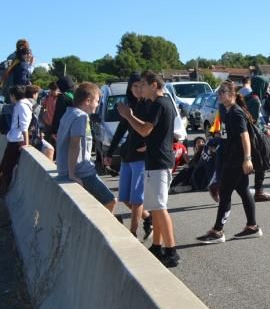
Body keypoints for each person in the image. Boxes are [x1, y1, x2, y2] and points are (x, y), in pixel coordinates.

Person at [116, 72, 180, 268]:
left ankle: (171, 251)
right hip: (154, 161)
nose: (140, 88)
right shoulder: (160, 103)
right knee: (155, 207)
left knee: (159, 207)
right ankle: (157, 245)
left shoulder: (160, 104)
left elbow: (145, 129)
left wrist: (128, 115)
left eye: (143, 84)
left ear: (154, 85)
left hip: (160, 162)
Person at [197, 81, 262, 244]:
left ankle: (217, 231)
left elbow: (244, 136)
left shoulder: (236, 112)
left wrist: (247, 159)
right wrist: (214, 140)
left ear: (232, 95)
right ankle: (252, 226)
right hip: (227, 156)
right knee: (243, 190)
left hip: (237, 159)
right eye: (218, 92)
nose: (219, 95)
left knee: (225, 193)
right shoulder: (223, 110)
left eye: (222, 92)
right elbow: (223, 132)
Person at [55, 82, 118, 212]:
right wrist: (72, 174)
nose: (97, 104)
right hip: (81, 171)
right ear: (88, 100)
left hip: (66, 169)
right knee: (110, 200)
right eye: (97, 101)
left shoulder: (68, 113)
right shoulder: (81, 117)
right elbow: (74, 145)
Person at [106, 74, 153, 239]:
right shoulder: (130, 106)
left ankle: (132, 233)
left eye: (141, 86)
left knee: (136, 199)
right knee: (125, 198)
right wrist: (110, 152)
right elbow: (120, 130)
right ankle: (149, 218)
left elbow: (159, 130)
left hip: (141, 157)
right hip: (127, 155)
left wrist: (151, 144)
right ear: (130, 88)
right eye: (135, 87)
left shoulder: (151, 105)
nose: (138, 90)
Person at [1, 85, 39, 194]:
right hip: (15, 139)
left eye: (11, 95)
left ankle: (2, 190)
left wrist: (25, 143)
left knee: (6, 167)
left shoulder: (21, 106)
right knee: (5, 166)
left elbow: (24, 126)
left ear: (13, 95)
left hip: (16, 140)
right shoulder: (22, 105)